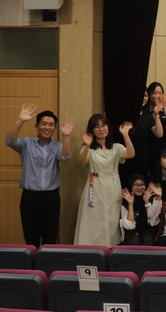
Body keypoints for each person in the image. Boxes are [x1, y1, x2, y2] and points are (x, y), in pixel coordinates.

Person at [5, 105, 74, 247]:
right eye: (44, 124)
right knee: (31, 239)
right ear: (37, 126)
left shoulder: (57, 146)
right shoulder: (26, 143)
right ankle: (32, 262)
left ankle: (46, 262)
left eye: (51, 125)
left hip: (51, 198)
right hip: (30, 198)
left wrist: (67, 136)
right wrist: (20, 120)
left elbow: (65, 158)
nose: (47, 127)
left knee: (50, 239)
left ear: (55, 128)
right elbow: (10, 141)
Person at [74, 114, 135, 247]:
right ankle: (90, 250)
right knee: (93, 220)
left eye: (104, 125)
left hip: (113, 184)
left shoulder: (116, 147)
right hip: (94, 185)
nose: (101, 129)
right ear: (92, 130)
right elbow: (82, 161)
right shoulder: (89, 148)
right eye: (97, 126)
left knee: (111, 220)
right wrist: (87, 144)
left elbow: (130, 154)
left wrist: (125, 135)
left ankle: (109, 249)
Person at [119, 174, 155, 245]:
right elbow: (129, 226)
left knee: (148, 240)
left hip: (147, 232)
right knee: (134, 241)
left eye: (142, 184)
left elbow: (153, 222)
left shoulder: (151, 200)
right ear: (131, 186)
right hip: (131, 234)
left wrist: (147, 202)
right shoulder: (125, 203)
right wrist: (130, 204)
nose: (139, 187)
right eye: (136, 185)